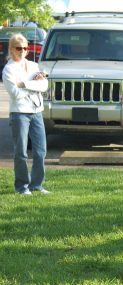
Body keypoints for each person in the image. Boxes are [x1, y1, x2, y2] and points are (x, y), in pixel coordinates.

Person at [2, 34, 49, 195]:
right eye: (18, 48)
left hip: (37, 112)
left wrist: (25, 84)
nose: (22, 51)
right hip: (19, 114)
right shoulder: (9, 69)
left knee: (40, 150)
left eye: (25, 48)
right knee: (21, 152)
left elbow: (44, 86)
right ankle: (22, 187)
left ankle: (37, 185)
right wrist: (33, 84)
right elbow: (15, 94)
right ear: (11, 49)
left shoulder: (33, 65)